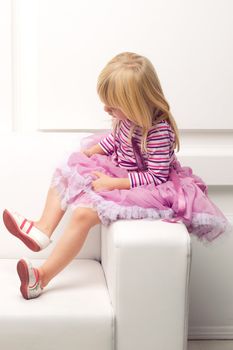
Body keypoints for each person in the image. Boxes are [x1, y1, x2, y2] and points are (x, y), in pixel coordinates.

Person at [2, 52, 231, 300]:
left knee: (83, 214)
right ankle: (42, 229)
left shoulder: (158, 132)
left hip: (149, 189)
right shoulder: (127, 119)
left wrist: (114, 183)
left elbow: (156, 176)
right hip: (123, 173)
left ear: (136, 105)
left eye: (113, 106)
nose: (106, 109)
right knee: (69, 168)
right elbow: (116, 139)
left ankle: (41, 277)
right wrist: (95, 151)